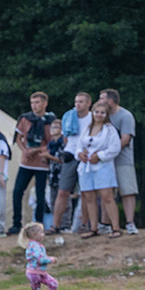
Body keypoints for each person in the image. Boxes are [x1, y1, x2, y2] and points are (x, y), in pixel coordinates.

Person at [8, 92, 55, 236]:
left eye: (37, 103)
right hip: (26, 162)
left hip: (41, 161)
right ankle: (16, 223)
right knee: (17, 191)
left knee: (40, 195)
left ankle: (38, 224)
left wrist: (37, 150)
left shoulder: (50, 121)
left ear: (45, 104)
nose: (34, 106)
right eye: (32, 103)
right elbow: (18, 138)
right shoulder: (25, 119)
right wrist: (25, 150)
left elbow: (52, 142)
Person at [77, 100, 122, 239]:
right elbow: (79, 145)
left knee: (106, 196)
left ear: (106, 115)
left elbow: (115, 148)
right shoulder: (87, 129)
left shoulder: (109, 130)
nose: (99, 115)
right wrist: (80, 154)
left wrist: (100, 156)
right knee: (89, 197)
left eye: (102, 113)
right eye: (97, 112)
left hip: (103, 166)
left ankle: (116, 227)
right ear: (92, 113)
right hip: (86, 167)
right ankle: (93, 228)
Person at [51, 92, 91, 234]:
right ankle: (55, 225)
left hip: (85, 156)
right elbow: (65, 137)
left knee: (85, 192)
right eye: (76, 101)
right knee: (63, 191)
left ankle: (84, 224)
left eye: (81, 102)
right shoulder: (69, 116)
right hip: (71, 155)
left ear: (88, 103)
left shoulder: (92, 118)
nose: (77, 105)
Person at [100, 89, 138, 234]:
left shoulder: (125, 116)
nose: (99, 101)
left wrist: (108, 152)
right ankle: (105, 223)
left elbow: (125, 139)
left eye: (102, 98)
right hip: (105, 161)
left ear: (110, 100)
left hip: (123, 160)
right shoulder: (102, 115)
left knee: (127, 191)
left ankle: (130, 223)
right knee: (106, 192)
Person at [18, 222, 60, 290]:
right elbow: (40, 260)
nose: (43, 234)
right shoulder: (35, 246)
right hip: (34, 273)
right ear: (34, 234)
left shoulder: (34, 245)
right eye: (41, 232)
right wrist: (51, 259)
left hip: (38, 272)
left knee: (50, 285)